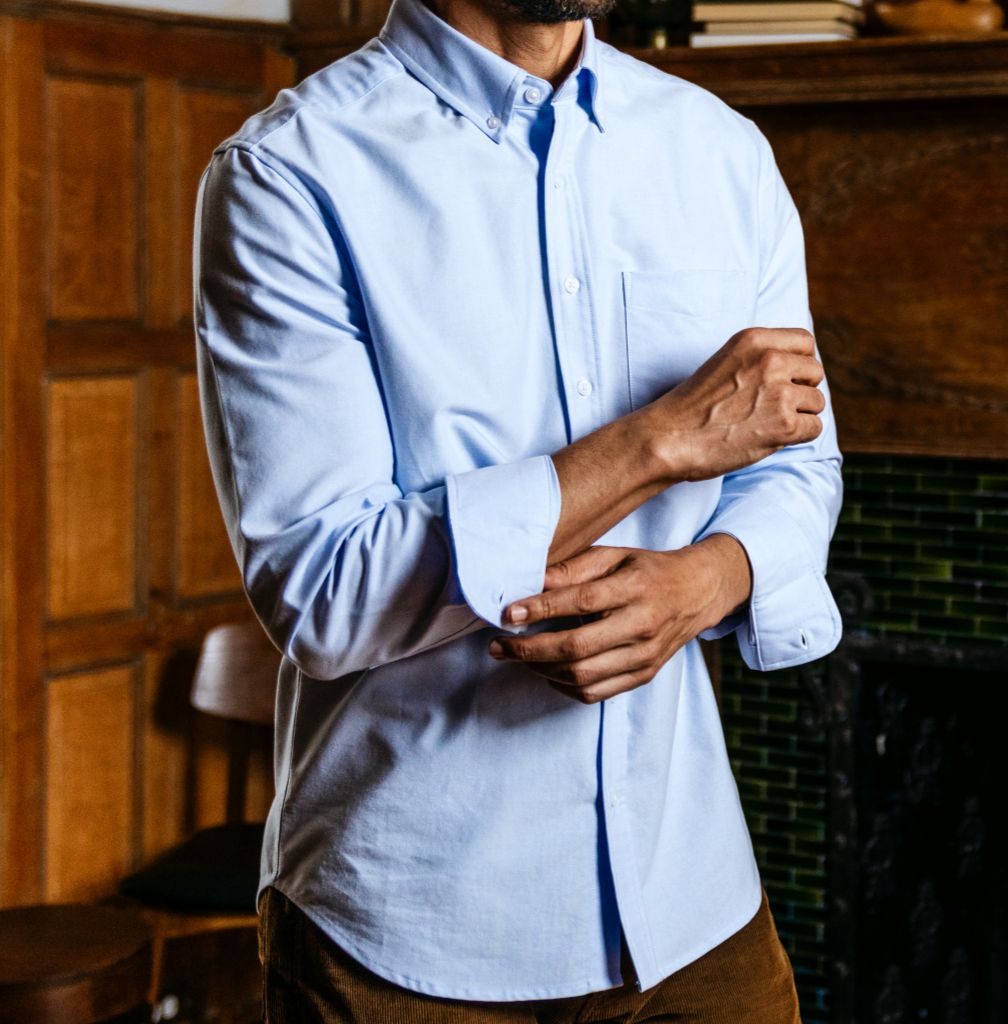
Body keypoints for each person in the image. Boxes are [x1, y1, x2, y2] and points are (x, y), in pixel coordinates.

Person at [193, 0, 843, 1018]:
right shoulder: (289, 174)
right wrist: (655, 443)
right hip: (405, 942)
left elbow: (797, 461)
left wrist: (706, 580)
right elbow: (325, 591)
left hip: (694, 910)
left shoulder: (720, 151)